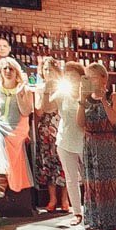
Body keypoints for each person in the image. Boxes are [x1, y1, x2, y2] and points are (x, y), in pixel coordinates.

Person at [79, 62, 116, 230]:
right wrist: (81, 100)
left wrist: (103, 100)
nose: (90, 81)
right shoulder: (86, 99)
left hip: (111, 145)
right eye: (87, 77)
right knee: (95, 185)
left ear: (104, 79)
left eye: (93, 77)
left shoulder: (114, 97)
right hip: (91, 145)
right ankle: (100, 223)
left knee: (113, 185)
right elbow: (80, 123)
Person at [0, 57, 34, 198]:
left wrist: (19, 96)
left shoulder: (24, 89)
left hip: (17, 126)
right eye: (5, 68)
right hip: (0, 124)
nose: (8, 71)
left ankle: (1, 176)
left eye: (11, 69)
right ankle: (2, 174)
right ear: (0, 71)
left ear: (16, 72)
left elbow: (26, 112)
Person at [34, 56, 68, 213]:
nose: (48, 72)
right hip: (46, 127)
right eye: (45, 69)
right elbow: (40, 111)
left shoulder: (63, 87)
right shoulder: (39, 89)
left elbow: (64, 107)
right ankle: (52, 198)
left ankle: (65, 199)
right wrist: (46, 92)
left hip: (60, 124)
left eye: (51, 69)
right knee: (48, 162)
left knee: (63, 161)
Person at [55, 61, 87, 226]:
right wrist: (47, 91)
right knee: (71, 178)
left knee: (88, 178)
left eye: (74, 76)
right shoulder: (62, 93)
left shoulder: (86, 94)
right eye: (68, 76)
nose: (71, 80)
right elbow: (46, 107)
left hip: (84, 140)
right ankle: (77, 212)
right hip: (65, 139)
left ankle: (91, 211)